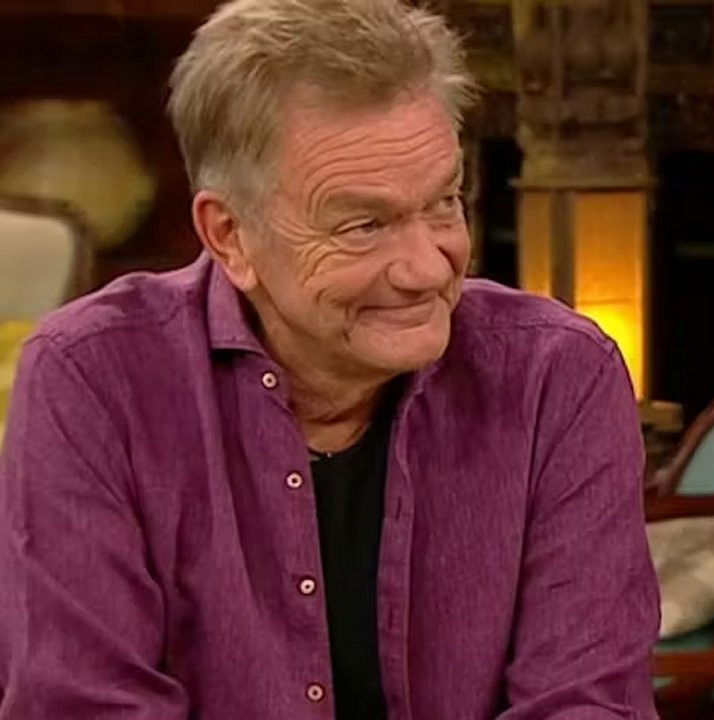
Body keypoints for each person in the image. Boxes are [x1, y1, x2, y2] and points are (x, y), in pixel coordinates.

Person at [0, 0, 659, 717]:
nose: (426, 268)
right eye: (364, 225)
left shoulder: (558, 376)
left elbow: (586, 703)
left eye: (444, 203)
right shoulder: (94, 378)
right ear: (229, 235)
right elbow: (85, 704)